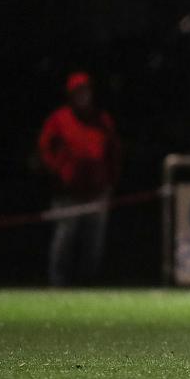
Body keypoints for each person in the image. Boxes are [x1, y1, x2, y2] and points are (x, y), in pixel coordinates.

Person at [38, 72, 120, 286]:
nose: (82, 95)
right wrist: (58, 171)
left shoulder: (102, 120)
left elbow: (114, 151)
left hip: (97, 190)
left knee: (93, 241)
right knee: (64, 238)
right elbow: (45, 149)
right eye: (77, 92)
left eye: (85, 91)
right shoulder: (59, 119)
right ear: (70, 94)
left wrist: (110, 180)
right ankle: (58, 283)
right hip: (68, 191)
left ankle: (88, 282)